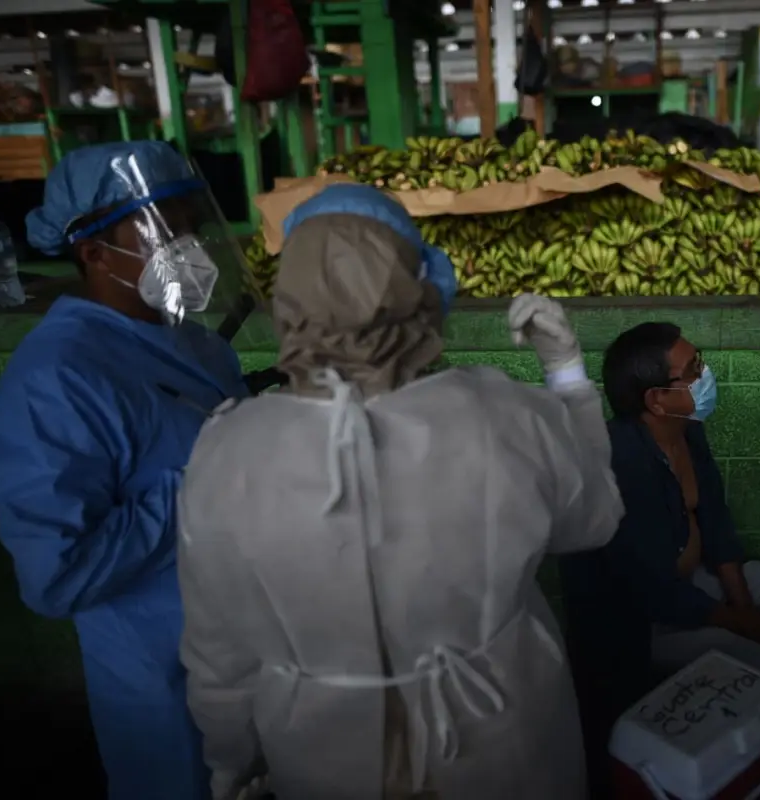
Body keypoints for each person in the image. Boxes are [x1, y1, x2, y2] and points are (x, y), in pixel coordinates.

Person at [175, 182, 623, 800]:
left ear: (288, 303)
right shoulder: (504, 415)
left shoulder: (225, 452)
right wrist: (567, 377)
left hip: (323, 760)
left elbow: (219, 658)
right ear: (421, 290)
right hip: (505, 742)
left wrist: (230, 761)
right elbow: (595, 521)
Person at [0, 141, 249, 799]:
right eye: (163, 229)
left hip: (248, 654)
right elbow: (57, 575)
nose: (186, 245)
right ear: (93, 252)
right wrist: (205, 480)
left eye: (189, 224)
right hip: (165, 681)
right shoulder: (56, 381)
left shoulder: (194, 342)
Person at [561, 322, 760, 744]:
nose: (706, 374)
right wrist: (740, 623)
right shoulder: (618, 464)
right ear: (657, 399)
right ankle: (725, 729)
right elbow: (649, 590)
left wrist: (744, 605)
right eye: (694, 369)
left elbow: (715, 518)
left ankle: (736, 694)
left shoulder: (687, 430)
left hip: (688, 587)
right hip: (638, 624)